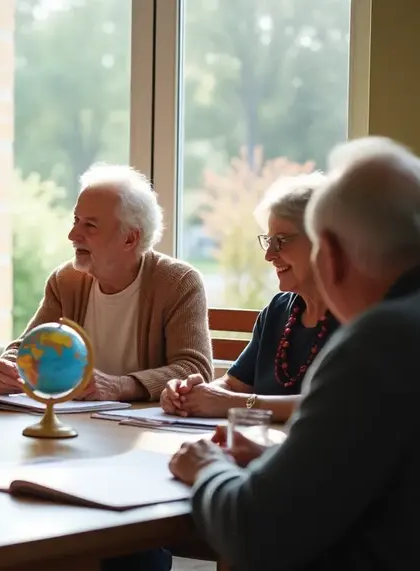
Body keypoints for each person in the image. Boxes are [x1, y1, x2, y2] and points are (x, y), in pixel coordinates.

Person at [169, 136, 420, 571]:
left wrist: (207, 467)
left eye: (284, 241)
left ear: (332, 256)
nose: (270, 255)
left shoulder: (378, 341)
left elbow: (255, 531)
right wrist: (278, 461)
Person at [0, 164, 213, 404]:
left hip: (145, 432)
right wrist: (4, 370)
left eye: (90, 225)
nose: (73, 235)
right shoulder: (66, 281)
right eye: (76, 220)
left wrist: (120, 386)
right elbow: (28, 345)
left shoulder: (178, 283)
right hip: (79, 424)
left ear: (129, 238)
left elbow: (194, 369)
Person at [161, 173, 338, 421]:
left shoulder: (356, 316)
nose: (269, 255)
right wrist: (191, 394)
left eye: (282, 241)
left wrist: (237, 404)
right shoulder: (278, 311)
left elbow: (337, 404)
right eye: (269, 241)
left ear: (322, 240)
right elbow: (233, 385)